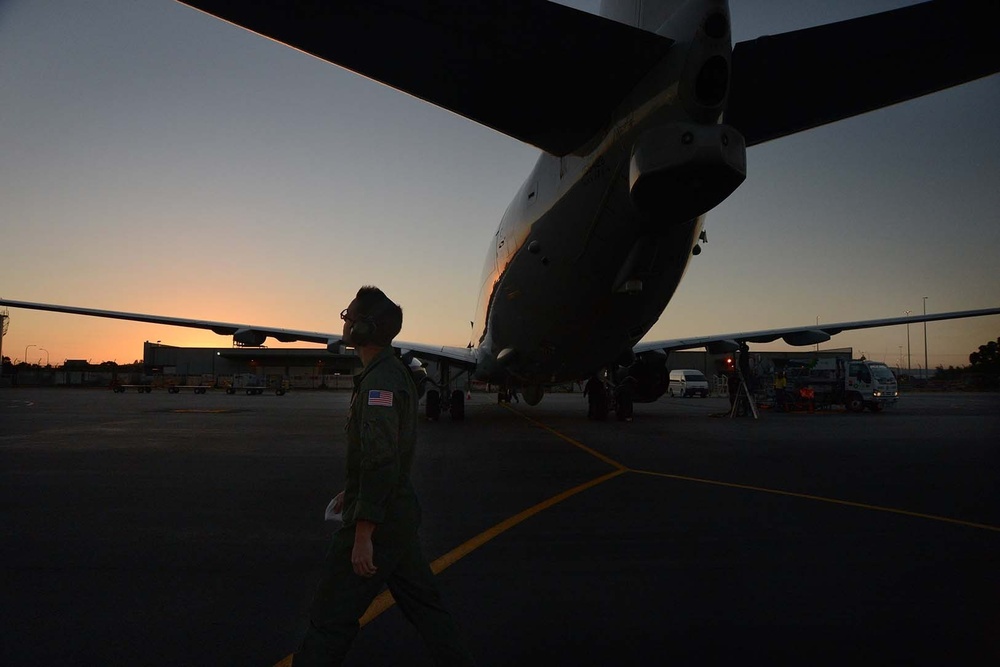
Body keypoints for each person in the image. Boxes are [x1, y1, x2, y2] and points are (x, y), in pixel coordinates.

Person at [295, 286, 476, 666]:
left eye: (349, 316)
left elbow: (380, 456)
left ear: (364, 328)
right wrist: (353, 488)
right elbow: (380, 453)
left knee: (331, 617)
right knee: (428, 610)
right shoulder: (388, 374)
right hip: (396, 515)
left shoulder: (379, 382)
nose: (344, 322)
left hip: (379, 520)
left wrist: (363, 534)